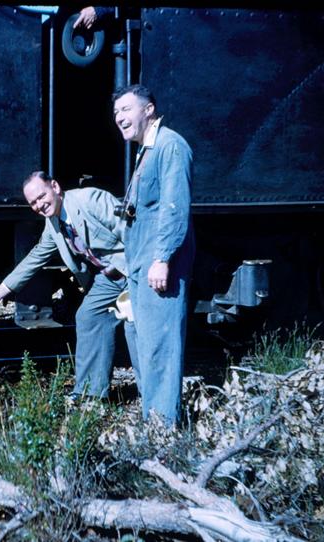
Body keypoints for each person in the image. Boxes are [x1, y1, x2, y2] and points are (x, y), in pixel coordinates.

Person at [0, 171, 134, 399]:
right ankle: (90, 393)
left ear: (55, 186)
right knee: (89, 316)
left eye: (42, 197)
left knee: (138, 330)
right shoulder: (53, 224)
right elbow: (35, 258)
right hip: (108, 277)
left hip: (133, 269)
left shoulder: (90, 199)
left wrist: (143, 276)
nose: (39, 205)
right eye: (33, 203)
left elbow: (134, 233)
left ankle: (153, 401)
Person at [112, 84, 194, 425]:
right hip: (142, 265)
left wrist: (162, 258)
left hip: (159, 264)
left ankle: (162, 428)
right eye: (116, 113)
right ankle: (155, 418)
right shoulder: (146, 151)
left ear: (149, 110)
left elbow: (174, 208)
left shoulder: (169, 145)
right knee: (145, 341)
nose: (120, 118)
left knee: (160, 345)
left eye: (126, 110)